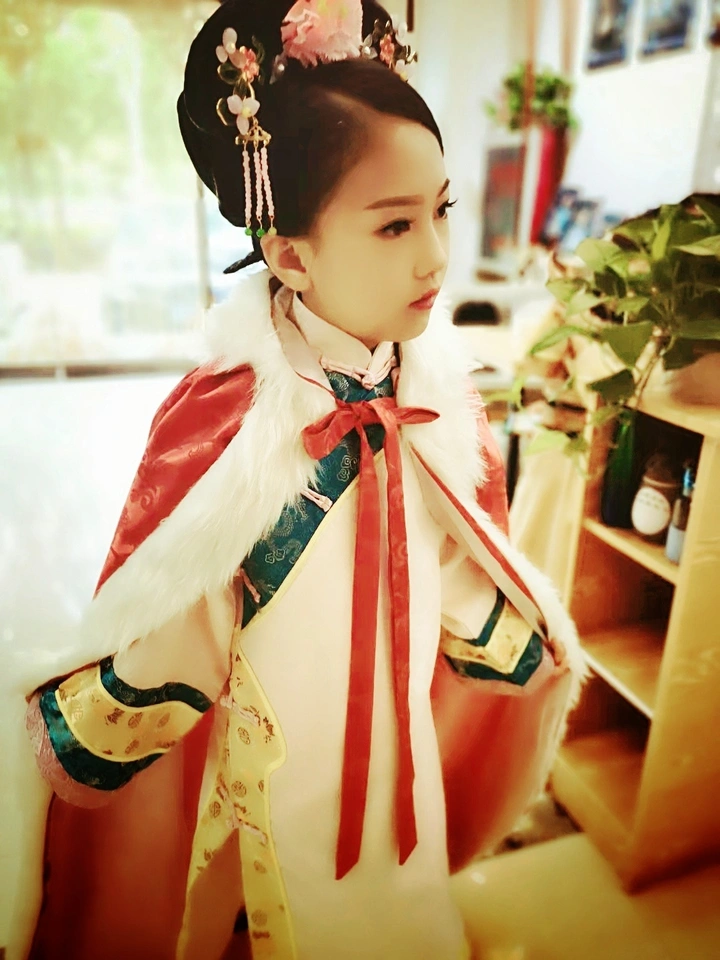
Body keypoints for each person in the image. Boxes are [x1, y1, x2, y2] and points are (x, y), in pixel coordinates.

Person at [8, 2, 586, 958]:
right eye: (395, 225)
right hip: (281, 740)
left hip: (399, 729)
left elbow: (452, 545)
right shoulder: (239, 416)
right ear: (289, 254)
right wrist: (118, 703)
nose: (436, 256)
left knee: (400, 885)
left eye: (440, 211)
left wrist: (503, 628)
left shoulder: (431, 393)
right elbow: (186, 596)